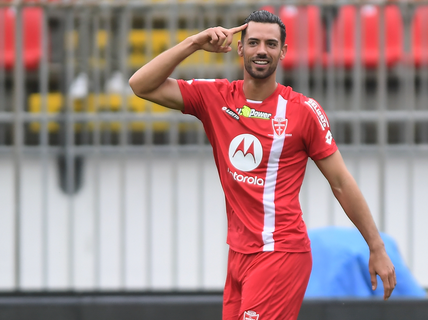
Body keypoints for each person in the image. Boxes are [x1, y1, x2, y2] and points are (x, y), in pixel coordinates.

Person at [129, 10, 396, 320]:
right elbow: (141, 85)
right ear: (240, 48)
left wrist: (376, 246)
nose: (261, 51)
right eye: (253, 42)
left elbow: (341, 182)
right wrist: (194, 42)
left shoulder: (303, 111)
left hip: (281, 252)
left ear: (283, 52)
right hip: (239, 255)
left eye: (271, 44)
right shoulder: (216, 97)